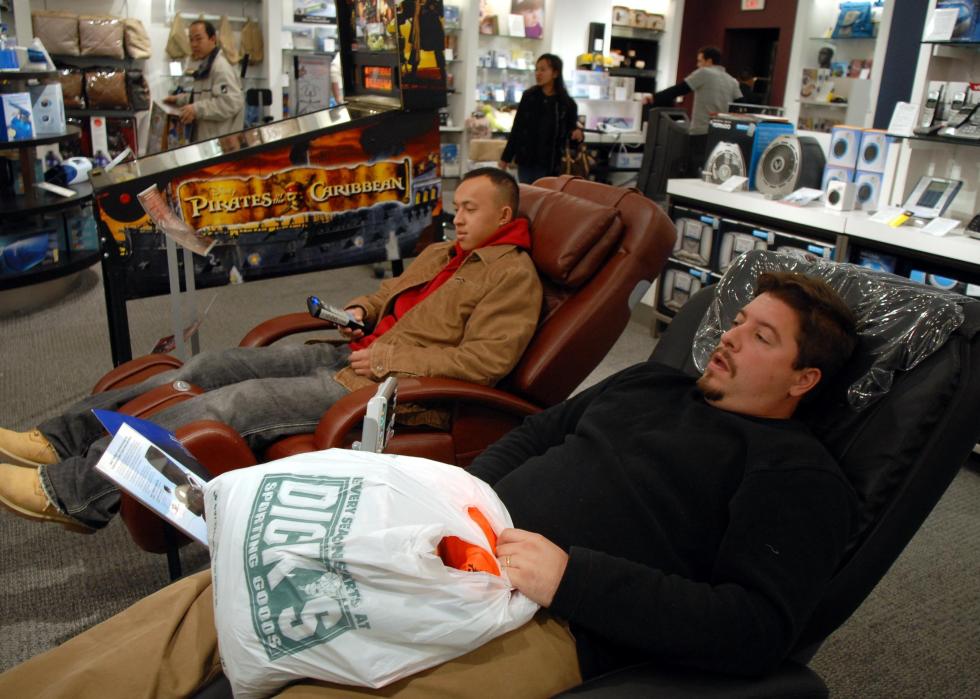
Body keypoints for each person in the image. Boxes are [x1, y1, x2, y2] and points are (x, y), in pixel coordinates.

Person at [0, 271, 861, 698]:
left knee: (322, 681)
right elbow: (539, 431)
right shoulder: (654, 382)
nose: (728, 336)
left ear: (804, 379)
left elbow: (755, 627)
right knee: (224, 590)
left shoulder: (795, 472)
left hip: (556, 618)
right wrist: (457, 497)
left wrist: (571, 577)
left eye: (761, 337)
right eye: (738, 321)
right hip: (453, 538)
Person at [0, 167, 542, 535]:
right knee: (211, 365)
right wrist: (361, 309)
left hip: (387, 388)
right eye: (457, 206)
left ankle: (71, 493)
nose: (457, 217)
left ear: (503, 216)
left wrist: (386, 361)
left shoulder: (513, 277)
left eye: (471, 210)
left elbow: (485, 364)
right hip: (351, 353)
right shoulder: (445, 252)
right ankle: (57, 441)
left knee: (232, 404)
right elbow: (388, 295)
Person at [653, 46, 742, 174]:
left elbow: (680, 89)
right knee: (712, 170)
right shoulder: (732, 80)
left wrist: (654, 97)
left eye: (700, 61)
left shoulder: (704, 73)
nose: (697, 65)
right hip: (721, 133)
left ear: (709, 61)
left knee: (694, 170)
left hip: (701, 131)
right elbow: (740, 105)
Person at [498, 53, 584, 184]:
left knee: (545, 194)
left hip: (552, 162)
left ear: (555, 73)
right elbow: (517, 128)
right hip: (526, 159)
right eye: (536, 70)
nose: (538, 74)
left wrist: (577, 134)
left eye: (543, 70)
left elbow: (571, 136)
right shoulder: (529, 96)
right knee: (527, 192)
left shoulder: (566, 103)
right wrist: (506, 158)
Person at [164, 20, 244, 142]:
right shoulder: (206, 66)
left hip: (218, 143)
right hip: (205, 139)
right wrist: (180, 99)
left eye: (198, 39)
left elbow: (230, 103)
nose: (194, 44)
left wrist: (196, 109)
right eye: (191, 40)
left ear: (212, 39)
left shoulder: (220, 67)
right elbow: (204, 95)